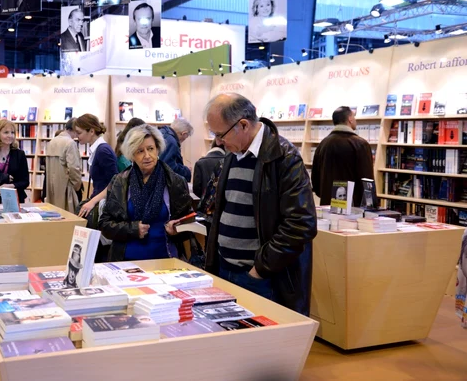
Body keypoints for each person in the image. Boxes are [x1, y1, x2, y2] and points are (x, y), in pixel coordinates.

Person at [204, 94, 317, 315]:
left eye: (220, 134)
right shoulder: (232, 154)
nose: (217, 142)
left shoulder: (284, 158)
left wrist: (260, 268)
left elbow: (301, 224)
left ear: (243, 125)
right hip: (225, 269)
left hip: (260, 278)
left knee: (264, 347)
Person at [99, 124, 193, 261]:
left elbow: (188, 225)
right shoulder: (120, 182)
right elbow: (105, 224)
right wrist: (132, 229)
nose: (147, 156)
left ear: (157, 150)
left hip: (165, 260)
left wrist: (176, 231)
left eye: (151, 149)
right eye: (140, 151)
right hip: (126, 262)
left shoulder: (175, 182)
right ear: (132, 155)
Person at [311, 106, 375, 208]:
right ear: (350, 119)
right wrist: (371, 207)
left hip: (327, 207)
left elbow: (315, 180)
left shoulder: (322, 144)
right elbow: (367, 181)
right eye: (354, 116)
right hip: (353, 210)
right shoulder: (360, 144)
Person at [74, 114, 118, 212]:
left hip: (105, 207)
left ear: (91, 131)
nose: (77, 136)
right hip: (101, 202)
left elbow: (115, 184)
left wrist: (92, 201)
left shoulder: (103, 151)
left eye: (79, 133)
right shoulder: (98, 149)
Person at [45, 118, 83, 212]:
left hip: (52, 190)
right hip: (67, 189)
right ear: (75, 129)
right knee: (69, 219)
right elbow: (74, 168)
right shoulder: (70, 143)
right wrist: (77, 186)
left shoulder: (51, 142)